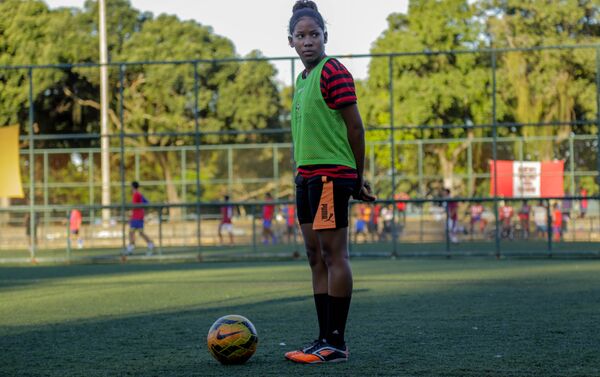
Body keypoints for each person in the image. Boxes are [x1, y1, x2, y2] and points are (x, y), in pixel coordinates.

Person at [284, 0, 376, 364]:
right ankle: (322, 338)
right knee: (314, 256)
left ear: (326, 37)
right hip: (305, 176)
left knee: (333, 255)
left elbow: (355, 126)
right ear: (290, 41)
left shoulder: (332, 70)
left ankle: (335, 343)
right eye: (300, 35)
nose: (308, 41)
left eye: (314, 34)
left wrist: (357, 176)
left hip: (330, 176)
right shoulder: (302, 79)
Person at [126, 181, 154, 255]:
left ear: (132, 187)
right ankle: (150, 244)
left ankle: (131, 247)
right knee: (140, 233)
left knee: (131, 232)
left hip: (136, 217)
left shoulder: (136, 195)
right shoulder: (139, 194)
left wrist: (131, 214)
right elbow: (147, 202)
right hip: (139, 216)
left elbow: (136, 205)